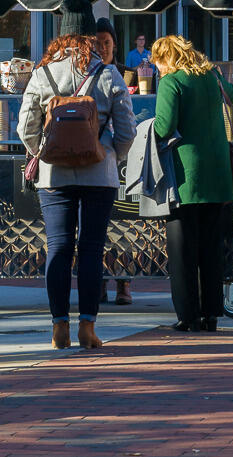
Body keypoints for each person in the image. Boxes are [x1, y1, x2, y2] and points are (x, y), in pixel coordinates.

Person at [18, 0, 136, 350]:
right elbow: (127, 129)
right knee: (91, 248)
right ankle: (88, 326)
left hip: (54, 176)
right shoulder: (109, 73)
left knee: (57, 248)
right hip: (99, 174)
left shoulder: (42, 73)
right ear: (90, 35)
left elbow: (25, 127)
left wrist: (42, 151)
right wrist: (109, 153)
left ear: (62, 36)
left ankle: (58, 326)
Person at [150, 35, 233, 332]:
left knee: (182, 250)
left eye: (158, 62)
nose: (157, 69)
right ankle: (211, 313)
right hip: (219, 174)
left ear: (167, 58)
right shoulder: (211, 75)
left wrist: (144, 128)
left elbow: (163, 126)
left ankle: (187, 315)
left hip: (186, 177)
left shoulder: (171, 82)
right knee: (212, 248)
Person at [95, 17, 134, 305]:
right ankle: (99, 282)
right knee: (97, 229)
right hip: (98, 159)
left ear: (114, 46)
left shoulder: (124, 74)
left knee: (125, 225)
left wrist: (121, 153)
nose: (102, 48)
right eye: (97, 43)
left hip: (121, 159)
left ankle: (124, 283)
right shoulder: (88, 73)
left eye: (106, 43)